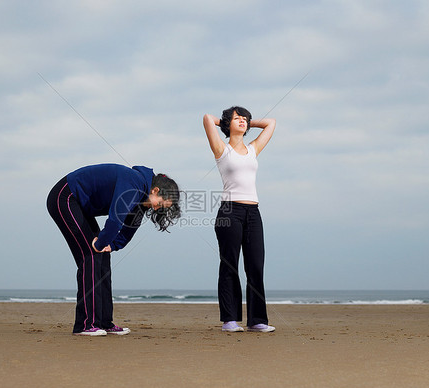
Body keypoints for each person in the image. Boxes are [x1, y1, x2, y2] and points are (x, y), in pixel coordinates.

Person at [47, 163, 181, 336]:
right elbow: (115, 219)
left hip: (80, 206)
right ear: (155, 190)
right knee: (91, 256)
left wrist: (112, 245)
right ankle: (86, 324)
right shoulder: (134, 182)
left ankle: (104, 322)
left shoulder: (142, 201)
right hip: (64, 197)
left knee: (103, 257)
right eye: (161, 204)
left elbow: (128, 231)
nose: (158, 209)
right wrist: (101, 242)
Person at [203, 106, 276, 333]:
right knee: (229, 265)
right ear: (227, 124)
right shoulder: (221, 150)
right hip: (229, 212)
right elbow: (207, 118)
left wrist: (247, 122)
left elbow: (271, 123)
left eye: (245, 118)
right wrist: (226, 121)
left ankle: (257, 320)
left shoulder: (253, 149)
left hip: (253, 212)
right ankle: (230, 320)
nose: (243, 121)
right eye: (238, 118)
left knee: (255, 266)